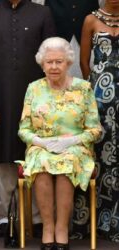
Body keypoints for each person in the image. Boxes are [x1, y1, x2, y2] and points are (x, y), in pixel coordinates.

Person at [0, 0, 56, 238]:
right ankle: (2, 217)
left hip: (35, 98)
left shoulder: (42, 13)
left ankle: (38, 216)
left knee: (34, 153)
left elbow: (50, 61)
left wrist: (47, 101)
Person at [18, 37, 101, 250]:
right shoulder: (33, 88)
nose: (54, 67)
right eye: (49, 62)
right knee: (42, 162)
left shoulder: (83, 88)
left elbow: (95, 129)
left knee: (67, 162)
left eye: (59, 61)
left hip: (75, 147)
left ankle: (62, 228)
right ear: (42, 64)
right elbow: (23, 129)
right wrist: (40, 142)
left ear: (68, 63)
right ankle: (48, 227)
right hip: (41, 145)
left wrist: (72, 141)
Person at [80, 0, 119, 241]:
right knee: (100, 155)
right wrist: (92, 89)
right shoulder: (90, 20)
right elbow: (85, 62)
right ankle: (98, 221)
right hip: (100, 98)